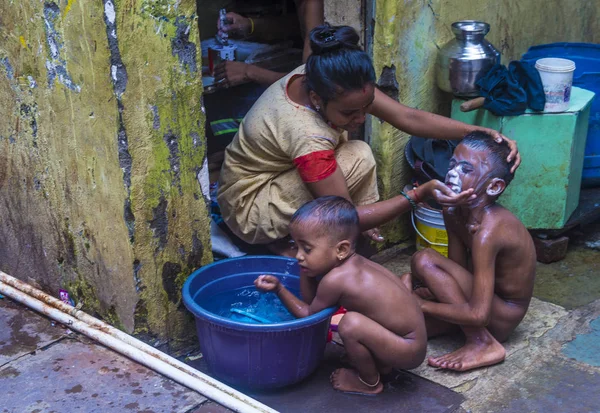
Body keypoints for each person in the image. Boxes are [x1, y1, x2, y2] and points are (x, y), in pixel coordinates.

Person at [217, 24, 521, 255]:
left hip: (273, 179)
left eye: (366, 107)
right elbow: (342, 214)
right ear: (316, 99)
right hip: (249, 206)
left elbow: (408, 118)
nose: (361, 118)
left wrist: (479, 133)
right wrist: (415, 195)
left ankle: (348, 238)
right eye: (350, 113)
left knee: (359, 153)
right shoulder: (306, 135)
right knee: (349, 190)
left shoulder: (327, 77)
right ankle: (292, 243)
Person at [254, 196, 427, 395]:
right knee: (358, 322)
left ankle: (370, 382)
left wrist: (279, 290)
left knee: (350, 324)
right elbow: (313, 300)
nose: (298, 256)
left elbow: (310, 315)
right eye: (296, 246)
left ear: (341, 249)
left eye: (307, 249)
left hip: (408, 350)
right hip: (407, 341)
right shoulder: (355, 263)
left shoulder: (336, 279)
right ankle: (381, 363)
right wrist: (307, 267)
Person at [404, 131, 536, 372]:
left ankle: (483, 342)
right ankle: (456, 326)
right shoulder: (453, 211)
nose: (452, 173)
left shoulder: (490, 230)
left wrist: (418, 304)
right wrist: (436, 295)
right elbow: (458, 270)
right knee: (406, 323)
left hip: (501, 315)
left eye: (466, 170)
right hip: (479, 296)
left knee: (424, 260)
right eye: (452, 165)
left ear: (494, 186)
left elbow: (478, 315)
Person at [214, 0, 324, 87]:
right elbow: (298, 26)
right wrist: (250, 25)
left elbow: (306, 82)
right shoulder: (305, 5)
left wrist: (248, 72)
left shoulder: (314, 4)